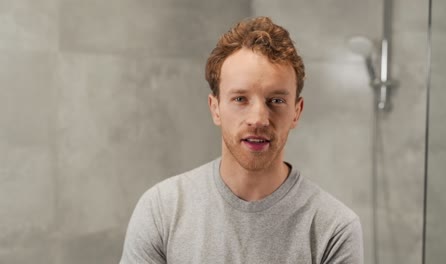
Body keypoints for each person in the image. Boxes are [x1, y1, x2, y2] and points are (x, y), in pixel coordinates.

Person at [120, 16, 363, 264]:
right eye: (240, 99)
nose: (258, 119)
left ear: (296, 112)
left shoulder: (335, 228)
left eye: (276, 100)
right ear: (215, 108)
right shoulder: (162, 210)